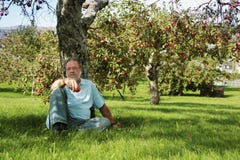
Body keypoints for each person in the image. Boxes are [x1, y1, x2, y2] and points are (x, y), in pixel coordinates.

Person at [46, 57, 120, 133]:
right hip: (63, 120)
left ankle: (72, 131)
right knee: (57, 90)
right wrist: (65, 81)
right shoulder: (61, 83)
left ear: (80, 70)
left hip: (83, 123)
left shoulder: (89, 85)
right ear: (66, 72)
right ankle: (58, 128)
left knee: (105, 122)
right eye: (68, 69)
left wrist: (112, 123)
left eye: (74, 68)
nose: (71, 71)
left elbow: (102, 106)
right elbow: (52, 89)